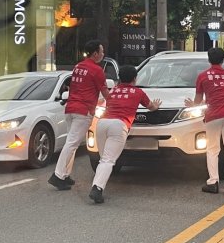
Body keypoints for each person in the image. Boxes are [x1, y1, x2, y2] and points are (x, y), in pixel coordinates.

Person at [89, 65, 161, 203]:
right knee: (108, 160)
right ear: (135, 78)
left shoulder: (113, 91)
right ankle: (97, 189)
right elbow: (151, 107)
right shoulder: (138, 92)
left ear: (119, 79)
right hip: (119, 125)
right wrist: (156, 106)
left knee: (104, 159)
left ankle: (97, 186)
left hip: (102, 123)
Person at [49, 40, 110, 190]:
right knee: (72, 143)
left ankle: (64, 175)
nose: (103, 54)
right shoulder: (96, 70)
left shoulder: (78, 67)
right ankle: (57, 175)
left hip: (70, 109)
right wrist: (116, 103)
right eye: (101, 52)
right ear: (95, 54)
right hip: (83, 111)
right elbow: (105, 92)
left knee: (72, 143)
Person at [185, 47, 224, 195]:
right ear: (223, 60)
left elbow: (198, 101)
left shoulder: (203, 76)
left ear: (209, 60)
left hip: (212, 116)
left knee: (212, 149)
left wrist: (193, 104)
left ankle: (213, 182)